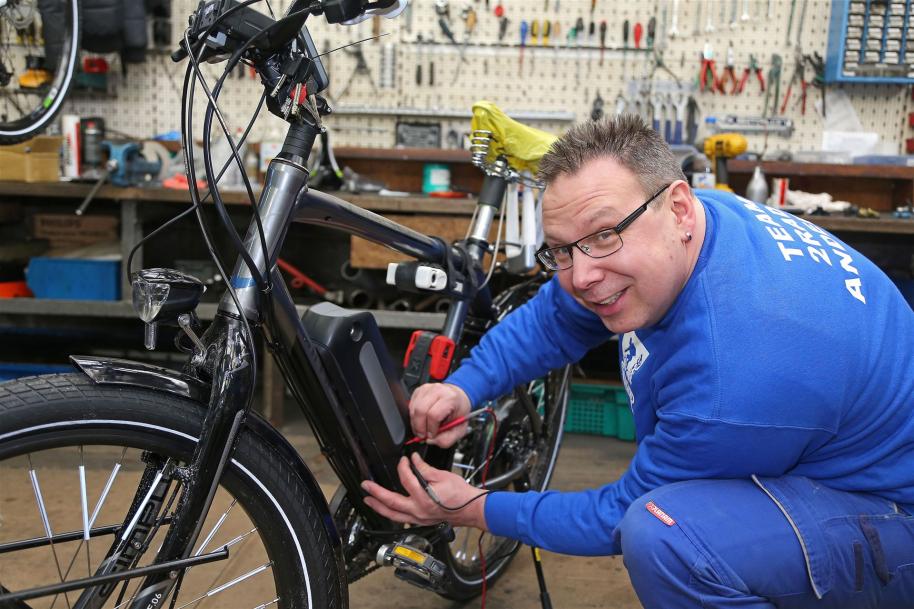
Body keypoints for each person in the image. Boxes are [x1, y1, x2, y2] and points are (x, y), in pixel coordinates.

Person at [361, 115, 914, 608]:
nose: (580, 275)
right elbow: (555, 316)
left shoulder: (734, 372)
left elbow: (618, 514)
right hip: (815, 438)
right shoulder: (696, 221)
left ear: (677, 209)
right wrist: (464, 388)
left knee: (667, 538)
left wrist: (476, 508)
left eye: (604, 236)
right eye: (560, 250)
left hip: (890, 512)